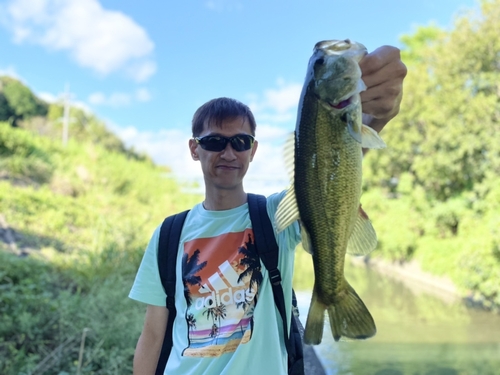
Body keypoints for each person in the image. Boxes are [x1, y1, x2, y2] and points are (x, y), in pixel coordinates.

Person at [129, 45, 407, 375]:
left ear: (253, 150)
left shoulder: (275, 215)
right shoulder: (168, 234)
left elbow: (328, 171)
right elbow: (153, 334)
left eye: (241, 142)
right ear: (194, 148)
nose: (229, 152)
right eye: (215, 142)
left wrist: (379, 113)